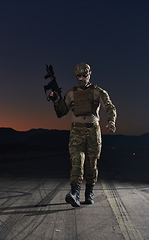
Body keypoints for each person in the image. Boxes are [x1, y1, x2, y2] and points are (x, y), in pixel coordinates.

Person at [50, 62, 117, 207]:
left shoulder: (98, 91)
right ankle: (74, 193)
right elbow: (61, 112)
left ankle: (89, 193)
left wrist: (111, 122)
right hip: (76, 131)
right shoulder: (71, 93)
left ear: (89, 75)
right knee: (77, 161)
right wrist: (55, 99)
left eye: (84, 75)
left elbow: (109, 106)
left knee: (92, 164)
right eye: (78, 76)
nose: (81, 79)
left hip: (93, 131)